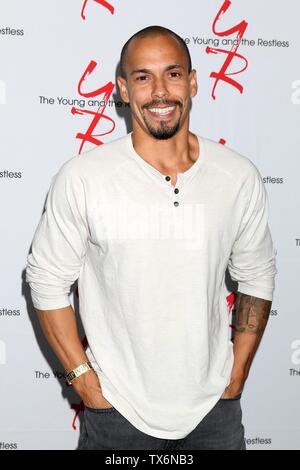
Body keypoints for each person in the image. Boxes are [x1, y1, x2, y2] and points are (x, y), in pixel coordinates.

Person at [25, 25, 277, 450]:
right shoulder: (84, 177)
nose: (160, 91)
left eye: (173, 74)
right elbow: (47, 281)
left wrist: (236, 377)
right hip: (116, 416)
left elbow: (257, 275)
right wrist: (84, 383)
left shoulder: (237, 175)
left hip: (215, 413)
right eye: (143, 77)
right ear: (123, 89)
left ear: (193, 82)